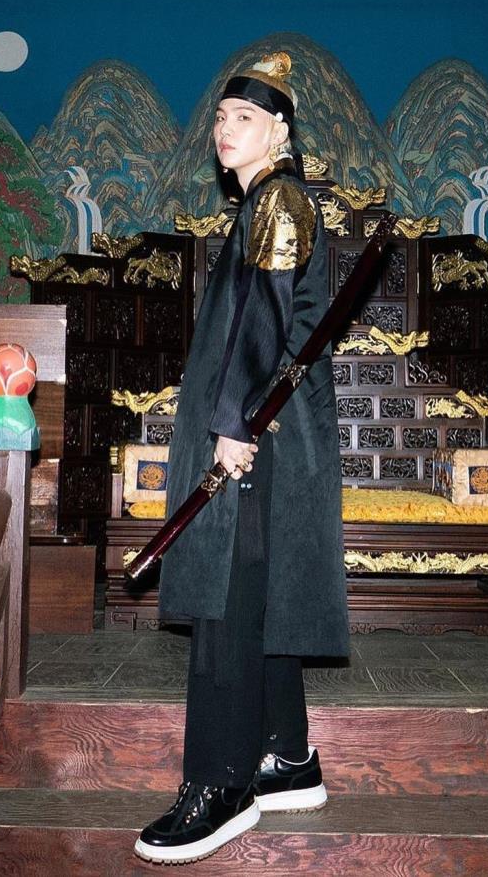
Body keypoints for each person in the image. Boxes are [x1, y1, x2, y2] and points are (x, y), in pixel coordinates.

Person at [134, 51, 349, 865]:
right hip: (269, 428)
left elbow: (262, 320)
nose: (226, 130)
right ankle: (288, 759)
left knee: (227, 598)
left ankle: (219, 786)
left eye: (246, 118)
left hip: (255, 433)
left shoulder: (279, 201)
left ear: (280, 130)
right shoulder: (267, 201)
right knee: (260, 589)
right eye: (222, 118)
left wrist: (232, 427)